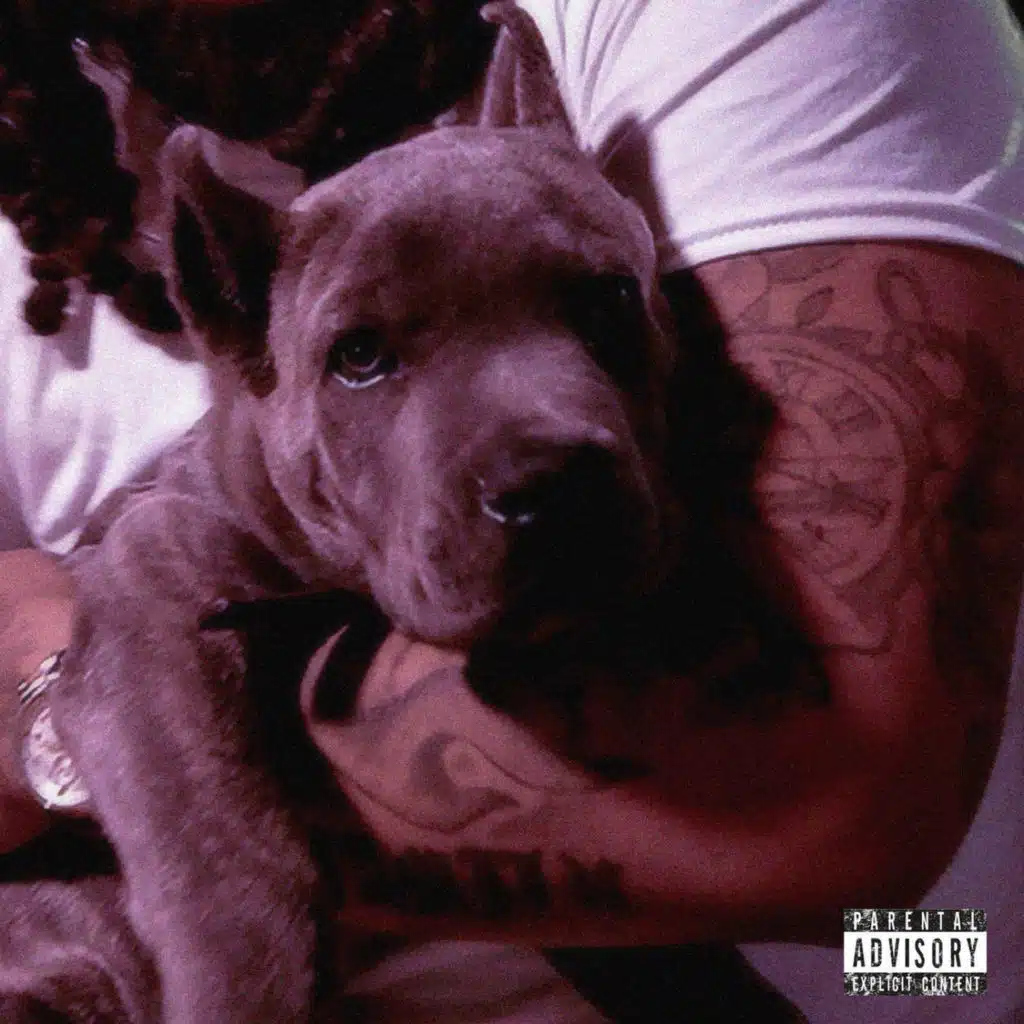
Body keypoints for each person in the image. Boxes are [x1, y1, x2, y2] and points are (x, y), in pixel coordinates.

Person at [1, 1, 1022, 1021]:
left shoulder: (680, 23)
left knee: (951, 958)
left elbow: (838, 816)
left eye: (596, 307)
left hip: (918, 962)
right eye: (364, 354)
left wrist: (109, 735)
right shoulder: (45, 258)